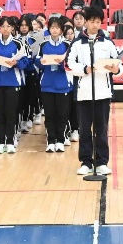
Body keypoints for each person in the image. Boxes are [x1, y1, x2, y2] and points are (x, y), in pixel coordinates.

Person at [68, 7, 122, 175]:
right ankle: (86, 162)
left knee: (101, 129)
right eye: (92, 21)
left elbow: (119, 63)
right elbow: (68, 65)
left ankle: (101, 162)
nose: (95, 25)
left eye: (98, 22)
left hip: (103, 93)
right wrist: (85, 69)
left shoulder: (108, 42)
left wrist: (116, 70)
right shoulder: (77, 43)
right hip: (84, 93)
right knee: (84, 130)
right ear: (85, 22)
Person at [0, 16, 31, 154]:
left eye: (8, 26)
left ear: (12, 28)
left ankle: (11, 141)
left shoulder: (19, 43)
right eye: (3, 26)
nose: (5, 29)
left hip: (12, 82)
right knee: (0, 113)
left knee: (11, 113)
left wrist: (16, 63)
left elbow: (26, 61)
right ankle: (0, 141)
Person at [38, 16, 74, 153]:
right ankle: (51, 141)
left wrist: (62, 63)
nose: (54, 30)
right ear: (49, 29)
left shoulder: (67, 45)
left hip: (63, 84)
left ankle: (60, 140)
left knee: (62, 115)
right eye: (52, 27)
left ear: (61, 30)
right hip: (47, 84)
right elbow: (36, 61)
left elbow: (72, 63)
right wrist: (40, 62)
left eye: (57, 28)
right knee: (49, 115)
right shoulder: (43, 45)